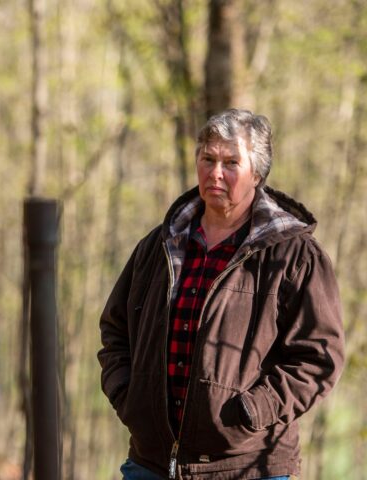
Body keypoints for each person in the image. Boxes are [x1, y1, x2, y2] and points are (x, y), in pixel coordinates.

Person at [98, 109, 344, 480]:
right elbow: (115, 331)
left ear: (257, 174)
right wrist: (129, 397)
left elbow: (318, 358)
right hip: (152, 462)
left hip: (248, 465)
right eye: (208, 158)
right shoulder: (159, 246)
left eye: (232, 162)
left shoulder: (293, 256)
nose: (216, 172)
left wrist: (251, 411)